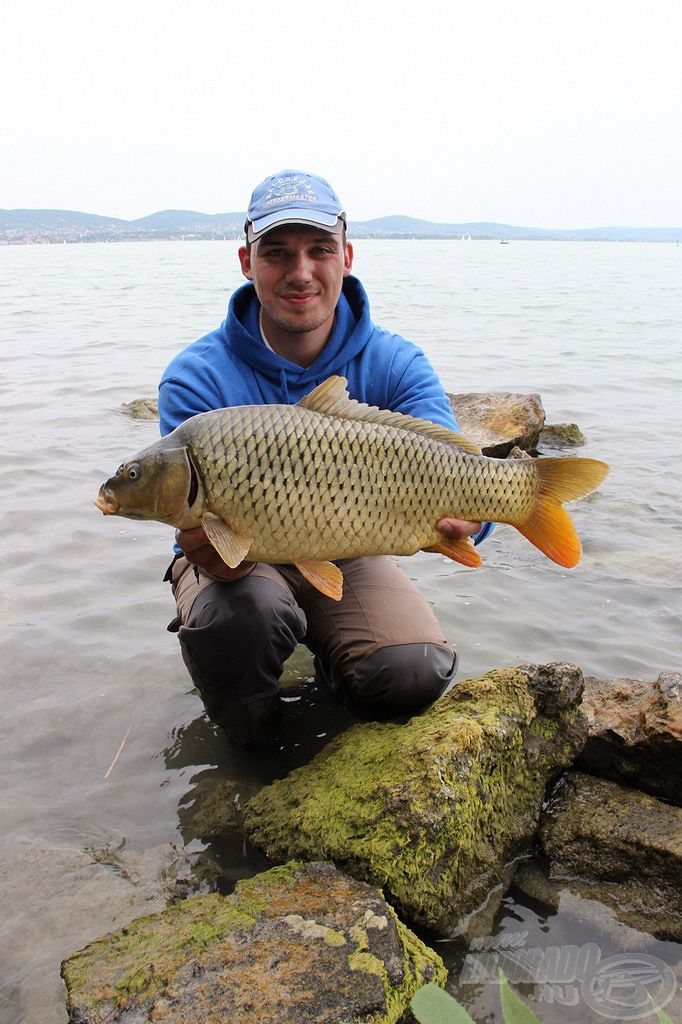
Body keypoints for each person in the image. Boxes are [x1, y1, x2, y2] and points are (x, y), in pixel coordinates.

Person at [159, 170, 492, 746]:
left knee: (413, 672)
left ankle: (338, 696)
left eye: (320, 251)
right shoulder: (196, 377)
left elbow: (452, 463)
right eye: (277, 253)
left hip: (347, 547)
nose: (301, 272)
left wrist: (477, 515)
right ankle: (252, 741)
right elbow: (190, 517)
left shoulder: (395, 362)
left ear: (347, 257)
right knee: (246, 613)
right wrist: (208, 554)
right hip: (239, 559)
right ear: (246, 261)